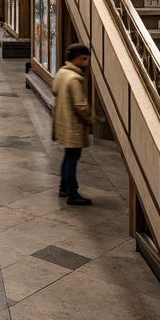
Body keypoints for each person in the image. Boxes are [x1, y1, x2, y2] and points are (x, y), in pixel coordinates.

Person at [52, 43, 94, 205]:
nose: (86, 62)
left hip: (62, 122)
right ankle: (72, 193)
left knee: (68, 156)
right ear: (76, 59)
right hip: (73, 126)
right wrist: (91, 120)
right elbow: (80, 106)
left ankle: (63, 187)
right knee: (72, 159)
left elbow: (55, 90)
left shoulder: (62, 73)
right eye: (84, 59)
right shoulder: (75, 78)